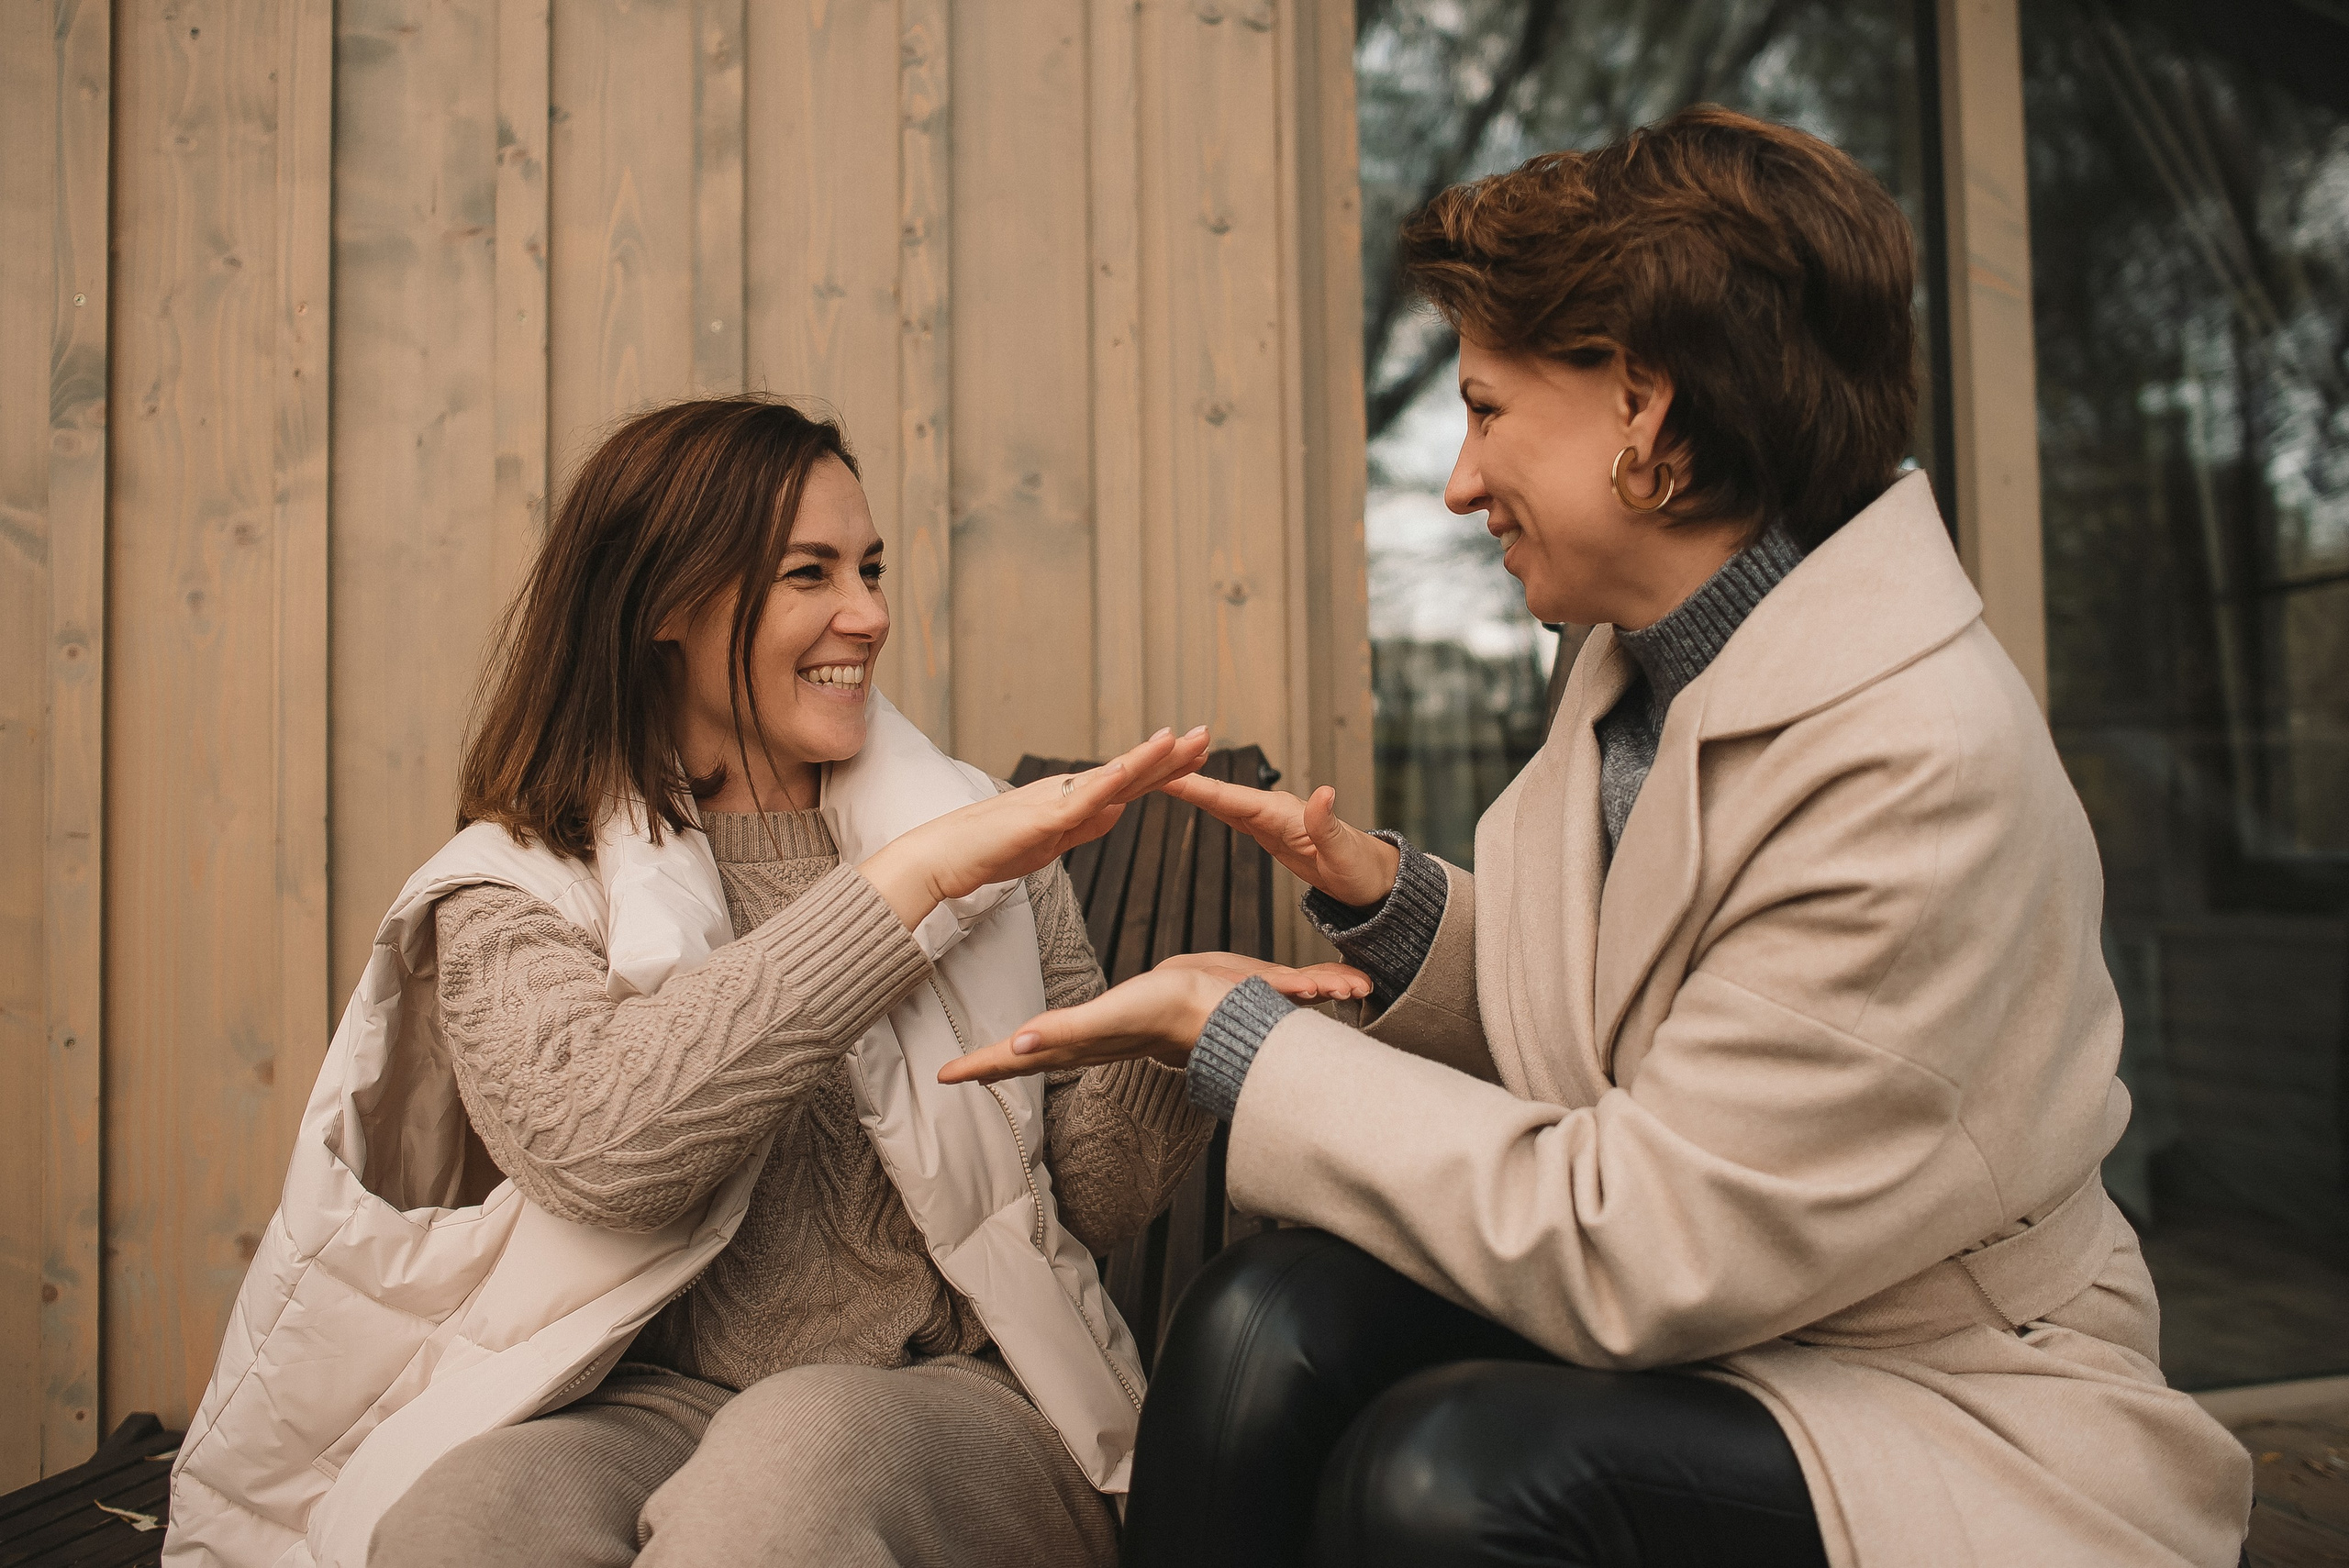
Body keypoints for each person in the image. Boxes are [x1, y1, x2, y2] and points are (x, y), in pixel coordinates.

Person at [941, 107, 2255, 1568]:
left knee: (1451, 1480)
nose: (1455, 479)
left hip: (1936, 1383)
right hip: (1739, 1308)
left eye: (1488, 410)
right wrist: (1399, 910)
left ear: (1647, 413)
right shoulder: (1642, 667)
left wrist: (1229, 1028)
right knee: (1269, 1321)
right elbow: (1676, 1001)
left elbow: (1639, 1236)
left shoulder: (1919, 763)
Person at [161, 396, 1366, 1568]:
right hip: (643, 1399)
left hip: (955, 1403)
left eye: (871, 568)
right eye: (812, 573)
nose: (870, 613)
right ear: (669, 604)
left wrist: (1172, 1032)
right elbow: (604, 1145)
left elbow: (1085, 1202)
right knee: (464, 1519)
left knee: (787, 1468)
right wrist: (906, 887)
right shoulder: (515, 884)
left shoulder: (970, 833)